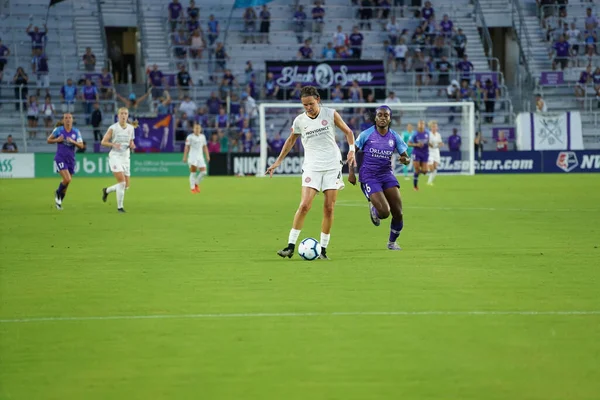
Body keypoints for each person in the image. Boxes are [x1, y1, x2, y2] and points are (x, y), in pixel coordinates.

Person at [266, 86, 356, 260]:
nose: (308, 107)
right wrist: (278, 161)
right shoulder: (299, 121)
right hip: (311, 167)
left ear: (318, 100)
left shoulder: (330, 114)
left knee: (329, 208)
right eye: (305, 105)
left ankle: (322, 250)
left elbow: (349, 132)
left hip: (332, 166)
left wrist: (351, 150)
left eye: (311, 104)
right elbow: (291, 140)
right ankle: (290, 246)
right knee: (305, 205)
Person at [348, 106, 410, 250]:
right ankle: (374, 208)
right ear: (375, 118)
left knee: (398, 213)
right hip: (369, 176)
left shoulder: (394, 136)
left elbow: (406, 158)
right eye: (380, 115)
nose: (383, 118)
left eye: (386, 115)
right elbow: (352, 152)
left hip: (386, 175)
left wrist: (405, 160)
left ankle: (392, 243)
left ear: (390, 118)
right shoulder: (366, 134)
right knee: (384, 213)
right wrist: (351, 172)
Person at [101, 108, 137, 213]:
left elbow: (131, 142)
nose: (123, 115)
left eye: (125, 113)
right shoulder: (113, 128)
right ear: (118, 115)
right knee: (122, 182)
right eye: (121, 113)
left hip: (126, 157)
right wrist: (113, 144)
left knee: (126, 186)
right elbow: (103, 142)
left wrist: (132, 145)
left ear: (128, 115)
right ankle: (120, 207)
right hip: (115, 156)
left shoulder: (131, 128)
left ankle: (106, 190)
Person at [46, 114, 84, 210]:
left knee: (66, 184)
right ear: (63, 120)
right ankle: (57, 192)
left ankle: (59, 203)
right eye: (66, 118)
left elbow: (81, 146)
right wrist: (57, 140)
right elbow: (48, 140)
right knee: (67, 179)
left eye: (69, 118)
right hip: (60, 157)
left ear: (72, 120)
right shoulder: (58, 130)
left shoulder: (76, 132)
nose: (68, 120)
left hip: (71, 159)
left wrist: (73, 141)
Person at [182, 123, 210, 194]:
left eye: (198, 128)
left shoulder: (203, 137)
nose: (197, 130)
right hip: (192, 157)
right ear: (193, 129)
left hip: (200, 157)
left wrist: (207, 156)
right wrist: (185, 157)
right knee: (193, 172)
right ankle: (192, 188)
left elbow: (205, 147)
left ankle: (196, 183)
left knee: (204, 172)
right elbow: (186, 147)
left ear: (200, 129)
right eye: (196, 128)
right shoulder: (190, 137)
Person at [407, 120, 429, 191]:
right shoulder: (415, 134)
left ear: (424, 125)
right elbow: (409, 143)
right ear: (418, 125)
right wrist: (416, 144)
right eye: (420, 124)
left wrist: (430, 144)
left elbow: (429, 141)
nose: (421, 125)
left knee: (425, 171)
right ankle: (415, 186)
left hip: (425, 153)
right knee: (416, 168)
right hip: (416, 152)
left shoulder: (427, 133)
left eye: (423, 124)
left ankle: (416, 175)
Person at [427, 120, 444, 186]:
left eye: (435, 127)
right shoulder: (428, 134)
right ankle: (429, 180)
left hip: (436, 151)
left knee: (435, 167)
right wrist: (431, 145)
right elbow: (427, 143)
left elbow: (440, 142)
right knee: (431, 168)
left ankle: (429, 182)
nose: (434, 128)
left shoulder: (438, 135)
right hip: (430, 152)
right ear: (431, 127)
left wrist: (441, 144)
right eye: (433, 127)